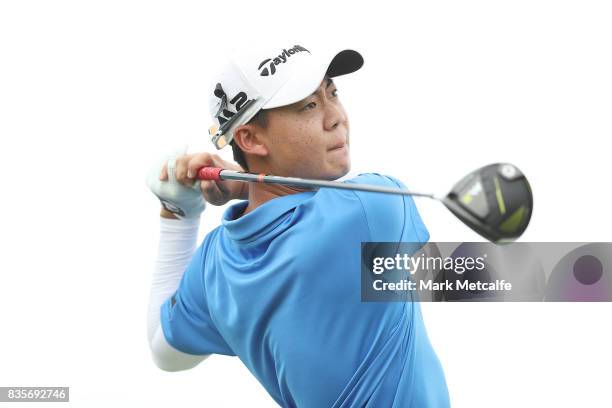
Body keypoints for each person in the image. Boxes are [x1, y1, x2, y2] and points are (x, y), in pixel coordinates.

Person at [146, 43, 450, 407]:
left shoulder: (214, 265)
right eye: (308, 105)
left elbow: (164, 352)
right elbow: (489, 275)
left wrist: (180, 212)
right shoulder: (370, 210)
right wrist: (245, 182)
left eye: (332, 93)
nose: (336, 116)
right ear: (251, 138)